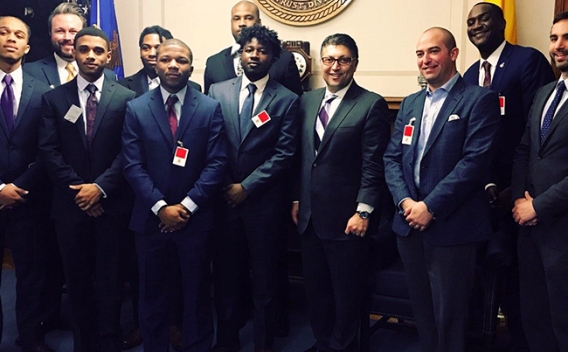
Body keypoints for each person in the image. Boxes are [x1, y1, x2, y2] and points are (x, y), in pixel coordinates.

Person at [383, 27, 500, 352]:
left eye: (433, 51)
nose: (426, 60)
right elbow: (392, 157)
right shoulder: (410, 103)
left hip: (452, 227)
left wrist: (429, 206)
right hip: (408, 225)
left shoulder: (479, 99)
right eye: (420, 54)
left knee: (450, 316)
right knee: (421, 312)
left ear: (453, 54)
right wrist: (406, 201)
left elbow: (473, 164)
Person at [122, 38, 228, 352]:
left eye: (181, 60)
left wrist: (185, 207)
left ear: (190, 68)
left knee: (195, 292)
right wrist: (160, 207)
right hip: (149, 221)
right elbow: (132, 164)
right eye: (166, 59)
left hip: (194, 221)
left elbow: (217, 161)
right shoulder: (136, 108)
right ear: (155, 64)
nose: (173, 65)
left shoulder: (209, 107)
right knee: (151, 293)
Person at [463, 3, 555, 350]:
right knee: (478, 280)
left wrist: (513, 189)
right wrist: (486, 184)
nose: (476, 26)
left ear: (502, 22)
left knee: (520, 285)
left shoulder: (526, 61)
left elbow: (537, 134)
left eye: (483, 19)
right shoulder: (470, 74)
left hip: (520, 195)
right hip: (480, 193)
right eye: (470, 22)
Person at [291, 33, 390, 352]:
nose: (335, 66)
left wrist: (364, 211)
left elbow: (373, 165)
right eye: (330, 59)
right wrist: (296, 199)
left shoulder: (370, 103)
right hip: (308, 218)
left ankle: (344, 346)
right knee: (316, 291)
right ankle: (323, 342)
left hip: (348, 220)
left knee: (347, 293)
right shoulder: (306, 101)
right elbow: (302, 157)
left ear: (355, 64)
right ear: (321, 63)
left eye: (343, 59)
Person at [39, 26, 136, 352]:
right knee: (77, 281)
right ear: (74, 53)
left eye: (98, 51)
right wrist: (81, 192)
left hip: (112, 206)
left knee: (111, 281)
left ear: (108, 55)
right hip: (70, 209)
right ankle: (84, 344)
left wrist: (100, 188)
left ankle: (109, 342)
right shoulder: (54, 99)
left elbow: (130, 152)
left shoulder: (127, 98)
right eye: (84, 50)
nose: (91, 56)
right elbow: (49, 152)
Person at [208, 25, 299, 352]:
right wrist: (225, 185)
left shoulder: (287, 100)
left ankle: (264, 344)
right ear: (240, 55)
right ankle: (226, 342)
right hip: (224, 203)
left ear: (272, 58)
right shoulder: (218, 92)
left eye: (262, 51)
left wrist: (246, 186)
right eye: (249, 50)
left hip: (263, 206)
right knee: (226, 280)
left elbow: (285, 153)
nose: (255, 56)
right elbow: (210, 143)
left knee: (264, 282)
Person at [511, 11, 568, 352]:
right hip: (530, 231)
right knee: (535, 318)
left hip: (562, 229)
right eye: (553, 38)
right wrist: (520, 201)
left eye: (566, 38)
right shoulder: (545, 92)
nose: (559, 46)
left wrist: (538, 206)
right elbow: (523, 150)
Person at [0, 15, 54, 352]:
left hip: (27, 196)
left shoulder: (42, 90)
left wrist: (19, 186)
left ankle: (31, 338)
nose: (10, 38)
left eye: (18, 35)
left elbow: (47, 147)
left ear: (28, 46)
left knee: (31, 275)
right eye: (3, 32)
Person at [203, 0, 302, 97]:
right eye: (236, 18)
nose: (242, 23)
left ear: (259, 23)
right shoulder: (214, 63)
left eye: (248, 18)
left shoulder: (284, 60)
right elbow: (209, 108)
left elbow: (295, 103)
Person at [24, 2, 114, 87]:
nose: (67, 37)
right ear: (50, 33)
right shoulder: (30, 72)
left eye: (73, 31)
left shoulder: (107, 76)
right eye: (60, 31)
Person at [118, 25, 201, 96]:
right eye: (146, 48)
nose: (152, 53)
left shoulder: (194, 88)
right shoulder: (122, 87)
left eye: (158, 48)